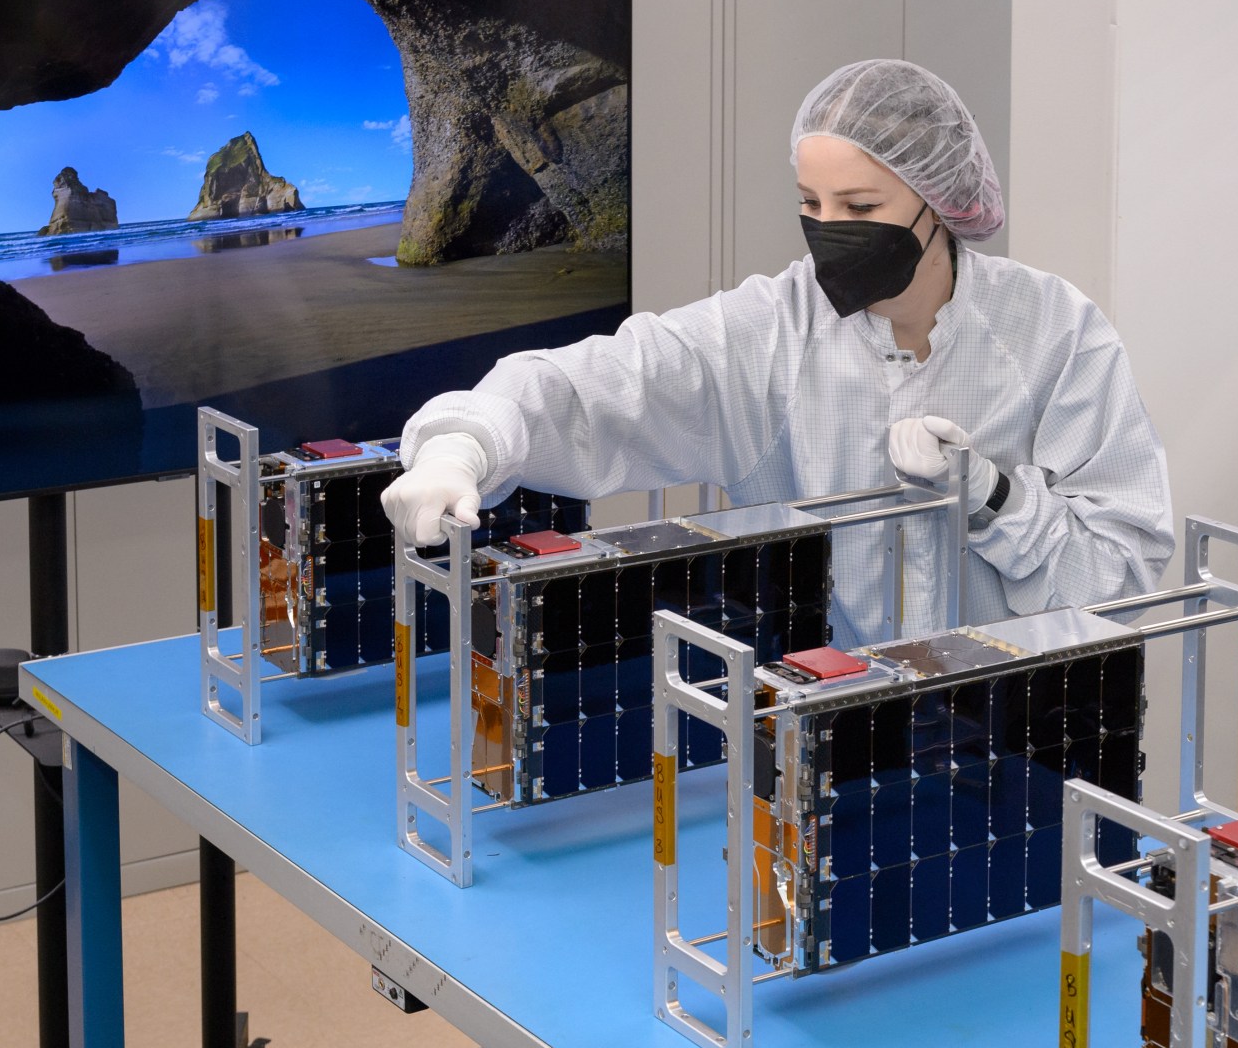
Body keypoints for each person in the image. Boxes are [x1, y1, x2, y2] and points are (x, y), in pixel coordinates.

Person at [384, 58, 1172, 647]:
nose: (830, 227)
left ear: (941, 200)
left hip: (1017, 717)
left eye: (861, 206)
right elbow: (602, 382)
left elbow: (1123, 571)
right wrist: (464, 442)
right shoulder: (769, 333)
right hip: (825, 727)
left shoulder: (1055, 333)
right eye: (811, 203)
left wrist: (994, 497)